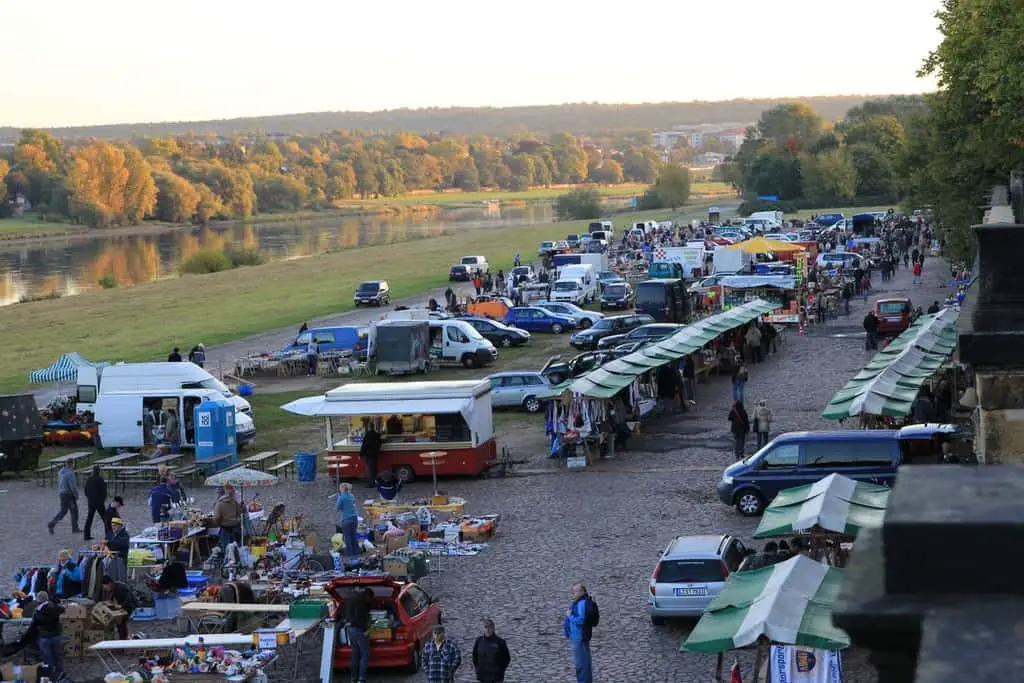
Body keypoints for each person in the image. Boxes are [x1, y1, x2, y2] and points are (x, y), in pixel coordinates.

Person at [563, 582, 597, 683]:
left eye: (575, 591)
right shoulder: (580, 602)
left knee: (581, 664)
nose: (573, 593)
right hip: (578, 637)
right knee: (583, 663)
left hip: (579, 637)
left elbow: (581, 620)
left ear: (581, 592)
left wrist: (570, 616)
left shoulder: (582, 603)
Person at [30, 591, 65, 682]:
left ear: (38, 600)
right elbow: (62, 609)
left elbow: (34, 623)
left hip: (45, 637)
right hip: (56, 636)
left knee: (47, 658)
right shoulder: (54, 607)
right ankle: (60, 673)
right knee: (58, 656)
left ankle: (49, 677)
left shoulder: (38, 610)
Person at [344, 585, 372, 683]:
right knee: (365, 654)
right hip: (359, 630)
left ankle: (353, 678)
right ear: (367, 596)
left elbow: (348, 615)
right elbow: (359, 618)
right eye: (370, 599)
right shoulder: (361, 602)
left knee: (355, 654)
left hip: (350, 629)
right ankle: (361, 679)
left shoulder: (352, 598)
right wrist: (365, 630)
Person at [472, 618, 511, 683]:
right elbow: (474, 658)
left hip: (496, 677)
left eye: (490, 627)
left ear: (493, 629)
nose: (488, 630)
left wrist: (500, 671)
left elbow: (507, 659)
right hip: (482, 676)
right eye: (486, 627)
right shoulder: (479, 641)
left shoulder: (500, 642)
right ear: (483, 629)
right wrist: (478, 669)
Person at [48, 462, 80, 535]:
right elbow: (73, 486)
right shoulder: (70, 473)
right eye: (73, 464)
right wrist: (76, 494)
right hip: (69, 495)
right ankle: (75, 528)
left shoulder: (60, 471)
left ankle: (52, 523)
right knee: (74, 511)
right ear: (71, 464)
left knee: (63, 511)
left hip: (62, 494)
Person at [100, 575, 136, 640]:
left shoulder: (120, 587)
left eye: (105, 586)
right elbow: (112, 596)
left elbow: (129, 598)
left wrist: (121, 605)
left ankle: (123, 638)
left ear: (109, 583)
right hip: (125, 604)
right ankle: (122, 637)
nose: (105, 588)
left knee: (122, 621)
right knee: (119, 622)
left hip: (129, 605)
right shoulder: (114, 586)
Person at [213, 484, 245, 550]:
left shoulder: (219, 504)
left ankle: (228, 558)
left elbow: (217, 517)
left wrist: (217, 523)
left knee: (227, 548)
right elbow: (240, 512)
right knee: (236, 546)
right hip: (236, 526)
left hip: (225, 528)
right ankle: (237, 558)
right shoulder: (234, 501)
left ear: (220, 494)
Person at [83, 465, 109, 541]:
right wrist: (103, 499)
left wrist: (89, 498)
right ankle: (108, 535)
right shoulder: (100, 479)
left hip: (91, 501)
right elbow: (103, 491)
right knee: (105, 519)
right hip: (99, 502)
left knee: (89, 518)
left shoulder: (89, 479)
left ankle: (86, 535)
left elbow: (86, 490)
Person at [335, 483, 360, 558]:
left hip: (346, 518)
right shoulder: (352, 496)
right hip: (354, 517)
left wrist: (338, 498)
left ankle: (350, 553)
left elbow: (337, 508)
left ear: (342, 489)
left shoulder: (341, 497)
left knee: (347, 536)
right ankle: (356, 551)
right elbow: (353, 503)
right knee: (353, 535)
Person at [359, 422, 382, 489]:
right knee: (375, 469)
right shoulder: (377, 434)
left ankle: (371, 484)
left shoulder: (367, 435)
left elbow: (364, 445)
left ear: (368, 427)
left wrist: (361, 453)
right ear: (373, 427)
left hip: (369, 455)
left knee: (369, 470)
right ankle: (375, 482)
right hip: (375, 455)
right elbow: (380, 443)